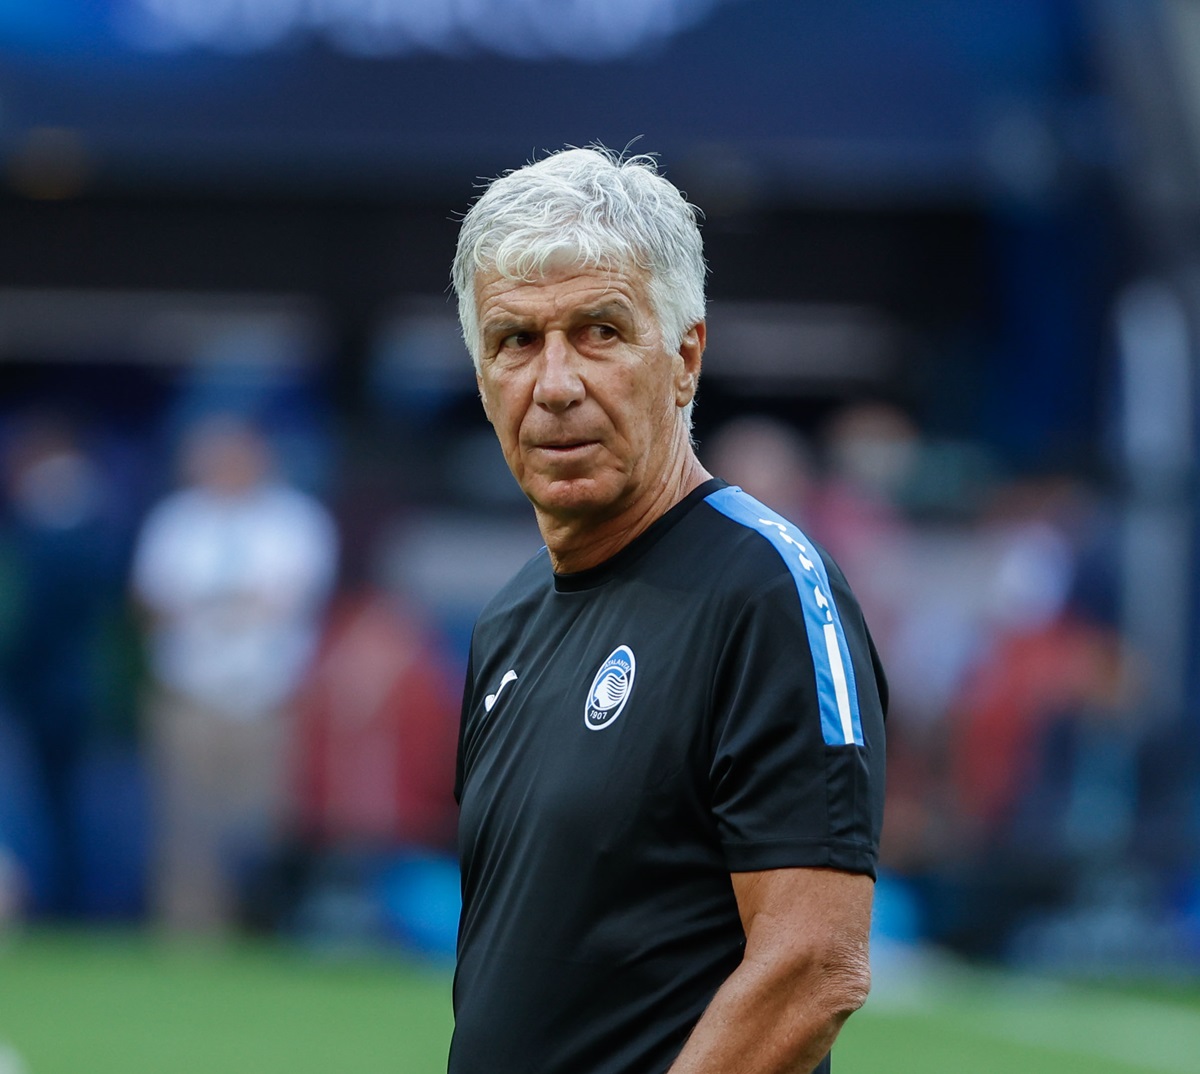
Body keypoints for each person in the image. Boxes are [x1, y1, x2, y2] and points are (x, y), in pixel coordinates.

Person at [448, 146, 887, 1074]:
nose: (555, 384)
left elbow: (814, 967)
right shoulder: (509, 619)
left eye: (599, 332)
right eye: (515, 340)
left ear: (685, 355)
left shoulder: (764, 588)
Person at [131, 412, 338, 933]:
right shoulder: (176, 520)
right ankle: (190, 934)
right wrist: (229, 607)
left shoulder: (295, 520)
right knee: (187, 825)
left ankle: (263, 926)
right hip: (191, 694)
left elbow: (296, 600)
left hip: (269, 699)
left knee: (266, 822)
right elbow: (151, 600)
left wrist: (214, 606)